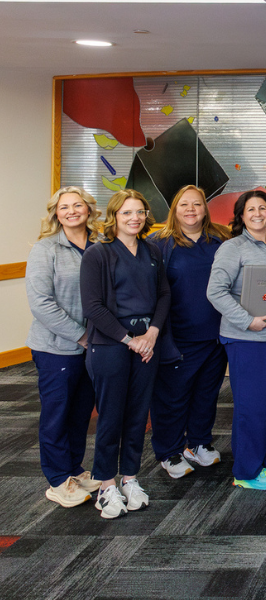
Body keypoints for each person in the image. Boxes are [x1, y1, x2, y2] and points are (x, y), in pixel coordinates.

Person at [81, 189, 174, 518]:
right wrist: (128, 339)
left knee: (138, 415)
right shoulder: (98, 254)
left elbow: (164, 295)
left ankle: (130, 478)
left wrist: (152, 333)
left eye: (140, 212)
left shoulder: (152, 251)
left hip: (147, 344)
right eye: (127, 213)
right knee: (110, 417)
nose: (135, 218)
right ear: (114, 217)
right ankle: (106, 485)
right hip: (111, 346)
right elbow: (92, 306)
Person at [207, 190, 266, 490]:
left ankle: (264, 459)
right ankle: (246, 471)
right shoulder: (233, 248)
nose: (258, 213)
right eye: (251, 209)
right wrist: (248, 321)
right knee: (252, 407)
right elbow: (215, 292)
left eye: (263, 208)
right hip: (248, 341)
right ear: (241, 215)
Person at [25, 186, 102, 508]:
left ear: (88, 209)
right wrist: (80, 335)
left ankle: (74, 469)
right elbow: (41, 304)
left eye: (77, 205)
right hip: (56, 348)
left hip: (93, 348)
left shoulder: (100, 247)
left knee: (80, 412)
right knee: (57, 414)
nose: (71, 211)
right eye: (64, 206)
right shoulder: (46, 250)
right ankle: (58, 479)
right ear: (56, 213)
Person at [148, 185, 231, 479]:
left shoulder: (221, 239)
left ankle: (198, 443)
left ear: (205, 209)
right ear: (175, 209)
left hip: (216, 334)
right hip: (178, 336)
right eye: (184, 204)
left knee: (206, 394)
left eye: (197, 204)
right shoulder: (158, 243)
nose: (191, 209)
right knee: (172, 397)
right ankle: (169, 451)